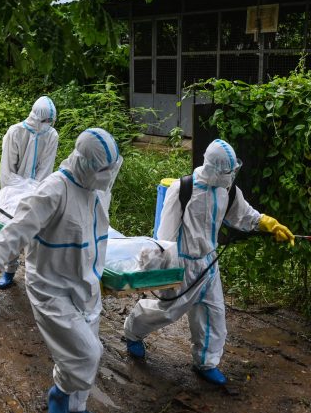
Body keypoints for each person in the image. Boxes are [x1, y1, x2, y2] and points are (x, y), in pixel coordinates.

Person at [0, 128, 122, 413]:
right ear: (85, 164)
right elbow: (16, 230)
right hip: (52, 287)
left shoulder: (96, 187)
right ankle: (58, 395)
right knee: (87, 353)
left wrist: (98, 272)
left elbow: (93, 236)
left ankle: (77, 407)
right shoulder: (53, 190)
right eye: (103, 170)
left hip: (86, 285)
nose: (108, 176)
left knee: (81, 355)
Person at [123, 139, 294, 385]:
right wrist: (156, 266)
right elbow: (165, 235)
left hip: (209, 263)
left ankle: (206, 362)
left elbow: (243, 215)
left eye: (233, 171)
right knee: (169, 311)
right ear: (213, 168)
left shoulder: (228, 191)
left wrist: (268, 223)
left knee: (213, 314)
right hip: (183, 264)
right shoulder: (183, 190)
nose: (231, 176)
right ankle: (133, 330)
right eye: (227, 172)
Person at [0, 96, 60, 290]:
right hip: (11, 192)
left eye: (51, 121)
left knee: (37, 232)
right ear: (35, 117)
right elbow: (7, 172)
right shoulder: (15, 133)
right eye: (44, 121)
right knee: (13, 229)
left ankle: (36, 277)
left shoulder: (51, 135)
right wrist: (22, 189)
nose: (47, 125)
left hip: (37, 189)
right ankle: (9, 270)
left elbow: (45, 169)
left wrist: (35, 190)